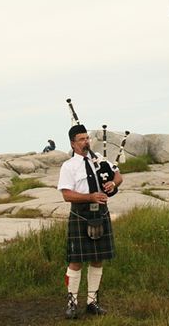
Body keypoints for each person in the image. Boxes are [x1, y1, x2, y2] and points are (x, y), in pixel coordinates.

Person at [57, 124, 123, 319]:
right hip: (81, 215)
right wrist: (91, 197)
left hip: (100, 213)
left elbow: (118, 176)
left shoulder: (99, 160)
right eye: (81, 139)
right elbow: (67, 195)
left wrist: (113, 183)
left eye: (87, 138)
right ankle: (72, 304)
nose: (86, 142)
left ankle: (92, 303)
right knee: (76, 261)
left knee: (97, 259)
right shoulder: (68, 166)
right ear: (73, 143)